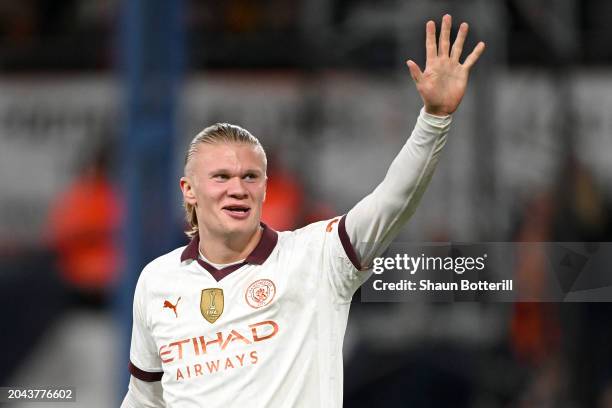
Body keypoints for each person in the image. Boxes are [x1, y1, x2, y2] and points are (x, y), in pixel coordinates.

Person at [121, 14, 485, 407]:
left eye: (250, 177)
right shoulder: (156, 281)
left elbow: (392, 201)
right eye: (221, 177)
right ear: (189, 190)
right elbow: (144, 398)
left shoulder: (316, 258)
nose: (237, 189)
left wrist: (434, 120)